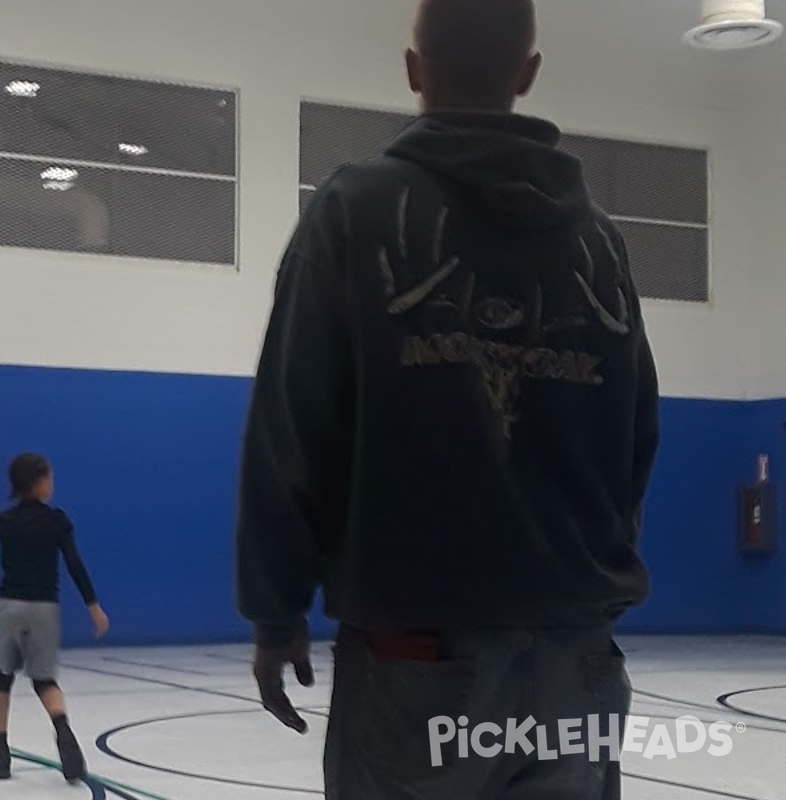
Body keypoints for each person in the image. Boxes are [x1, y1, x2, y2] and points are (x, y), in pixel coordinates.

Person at [234, 0, 661, 797]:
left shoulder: (355, 212)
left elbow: (293, 424)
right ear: (527, 75)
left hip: (419, 660)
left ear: (413, 69)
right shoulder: (601, 244)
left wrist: (276, 609)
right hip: (580, 655)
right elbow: (637, 436)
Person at [0, 453, 110, 784]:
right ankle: (61, 728)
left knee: (1, 677)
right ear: (38, 482)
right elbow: (74, 564)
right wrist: (92, 604)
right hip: (44, 608)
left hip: (9, 606)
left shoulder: (1, 521)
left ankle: (0, 754)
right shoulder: (57, 521)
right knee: (44, 679)